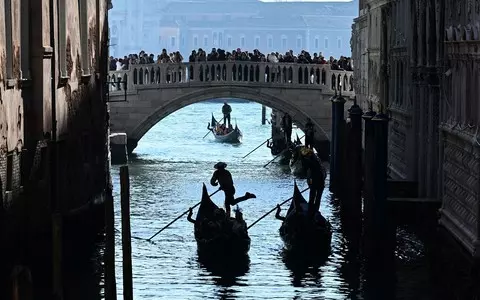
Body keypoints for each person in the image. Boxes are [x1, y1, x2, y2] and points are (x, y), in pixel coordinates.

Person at [304, 152, 326, 219]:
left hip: (315, 183)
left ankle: (310, 213)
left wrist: (309, 184)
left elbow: (308, 175)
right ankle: (316, 211)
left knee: (312, 198)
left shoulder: (310, 163)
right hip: (321, 183)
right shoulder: (319, 163)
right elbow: (324, 174)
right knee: (318, 198)